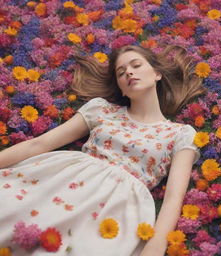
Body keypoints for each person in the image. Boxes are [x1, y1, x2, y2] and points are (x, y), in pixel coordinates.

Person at [0, 45, 206, 256]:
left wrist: (155, 247)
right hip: (66, 184)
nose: (129, 72)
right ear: (121, 89)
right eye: (121, 72)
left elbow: (173, 197)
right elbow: (40, 144)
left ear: (157, 74)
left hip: (118, 208)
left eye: (136, 65)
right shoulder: (101, 110)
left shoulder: (180, 134)